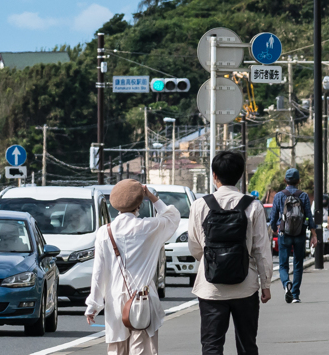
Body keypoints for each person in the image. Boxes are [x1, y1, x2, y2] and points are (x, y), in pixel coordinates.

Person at [188, 152, 273, 355]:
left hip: (211, 288)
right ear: (240, 176)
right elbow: (261, 249)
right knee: (247, 345)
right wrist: (266, 284)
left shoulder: (200, 205)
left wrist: (213, 261)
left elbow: (195, 247)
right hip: (246, 286)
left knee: (211, 346)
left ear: (214, 175)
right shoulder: (253, 205)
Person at [85, 180, 180, 355]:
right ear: (139, 204)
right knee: (142, 348)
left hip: (115, 299)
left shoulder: (104, 232)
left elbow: (99, 272)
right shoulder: (148, 227)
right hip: (142, 297)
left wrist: (93, 305)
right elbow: (172, 217)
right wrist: (152, 197)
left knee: (117, 349)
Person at [269, 168, 316, 302]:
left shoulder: (279, 195)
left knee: (283, 264)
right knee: (298, 264)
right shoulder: (303, 195)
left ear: (285, 180)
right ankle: (295, 294)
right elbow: (309, 216)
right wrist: (314, 234)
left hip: (284, 232)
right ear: (299, 181)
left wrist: (274, 229)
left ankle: (286, 284)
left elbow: (273, 217)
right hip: (300, 233)